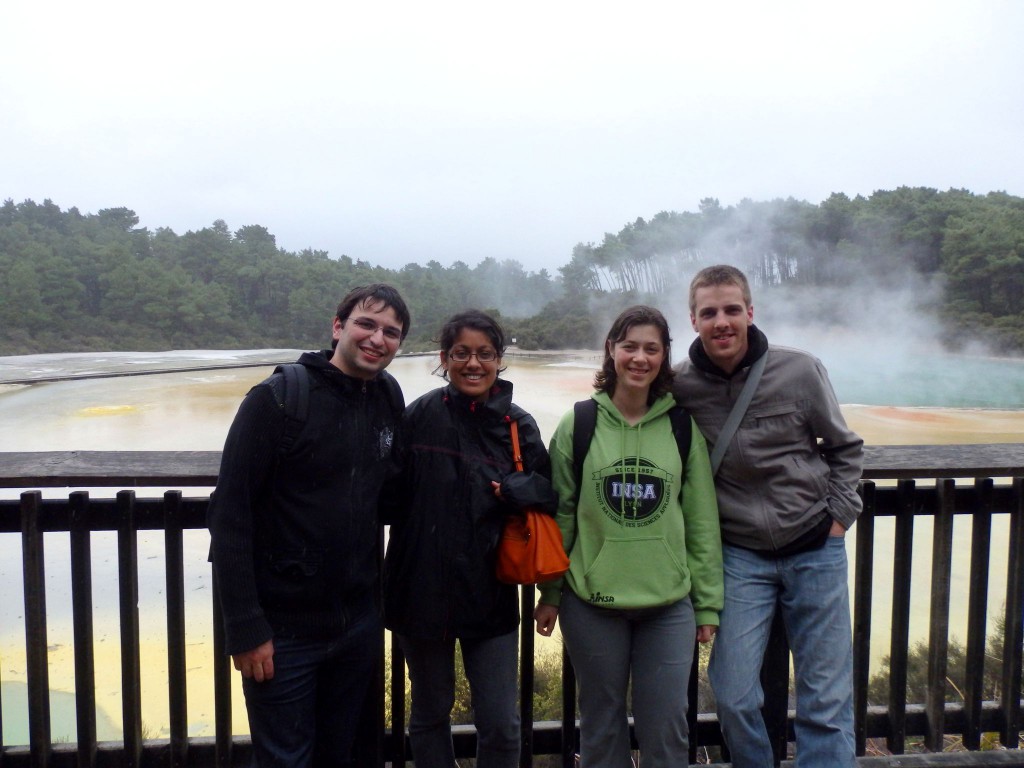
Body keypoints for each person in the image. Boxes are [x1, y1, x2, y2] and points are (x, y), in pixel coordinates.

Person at [208, 283, 411, 768]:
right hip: (283, 631)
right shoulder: (278, 398)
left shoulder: (386, 395)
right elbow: (230, 515)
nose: (377, 339)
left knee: (340, 755)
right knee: (285, 759)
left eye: (391, 332)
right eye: (366, 324)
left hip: (357, 623)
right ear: (338, 327)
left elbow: (392, 489)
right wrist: (245, 628)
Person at [673, 264, 864, 768]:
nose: (722, 322)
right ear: (693, 320)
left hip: (815, 545)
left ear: (750, 312)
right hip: (739, 555)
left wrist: (839, 518)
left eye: (731, 310)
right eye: (709, 312)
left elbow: (845, 448)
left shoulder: (799, 369)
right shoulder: (680, 385)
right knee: (733, 691)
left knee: (826, 695)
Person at [534, 305, 723, 768]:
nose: (640, 358)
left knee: (668, 727)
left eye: (651, 349)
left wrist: (707, 603)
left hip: (668, 605)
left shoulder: (681, 427)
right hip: (591, 603)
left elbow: (700, 521)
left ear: (664, 356)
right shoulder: (579, 424)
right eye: (630, 346)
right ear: (611, 350)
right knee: (601, 726)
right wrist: (551, 592)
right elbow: (561, 516)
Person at [382, 309, 558, 768]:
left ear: (499, 359)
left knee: (500, 721)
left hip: (489, 590)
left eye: (484, 354)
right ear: (444, 358)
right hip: (419, 589)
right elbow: (385, 494)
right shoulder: (419, 416)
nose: (473, 364)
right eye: (461, 353)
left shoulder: (517, 426)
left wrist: (518, 489)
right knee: (429, 712)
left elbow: (551, 493)